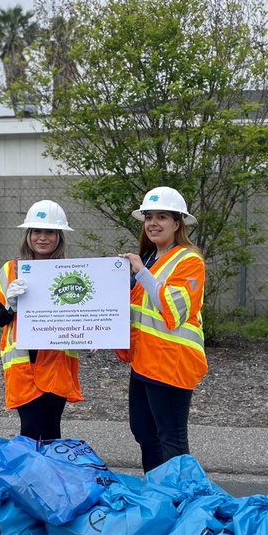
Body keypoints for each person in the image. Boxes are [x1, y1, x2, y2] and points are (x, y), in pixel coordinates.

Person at [117, 186, 207, 471]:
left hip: (172, 362)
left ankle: (180, 502)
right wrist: (102, 330)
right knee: (144, 432)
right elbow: (132, 309)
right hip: (145, 361)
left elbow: (172, 309)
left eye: (162, 217)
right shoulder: (147, 259)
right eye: (149, 217)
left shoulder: (189, 261)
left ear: (177, 223)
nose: (153, 223)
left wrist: (141, 273)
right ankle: (157, 497)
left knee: (172, 439)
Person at [0, 199, 83, 441]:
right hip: (23, 364)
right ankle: (29, 478)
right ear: (28, 235)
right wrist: (10, 306)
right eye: (37, 231)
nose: (43, 237)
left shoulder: (73, 272)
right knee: (30, 429)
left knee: (52, 430)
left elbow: (82, 314)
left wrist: (96, 333)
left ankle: (50, 477)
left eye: (50, 232)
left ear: (59, 236)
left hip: (56, 362)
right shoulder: (10, 270)